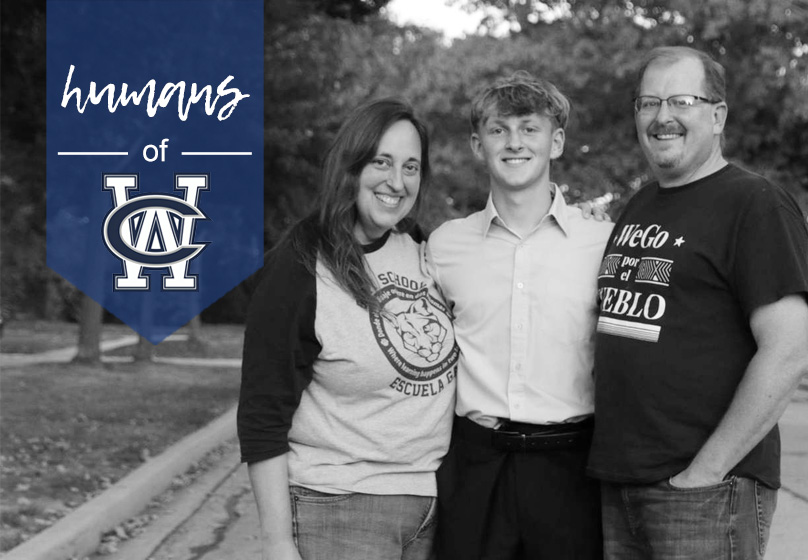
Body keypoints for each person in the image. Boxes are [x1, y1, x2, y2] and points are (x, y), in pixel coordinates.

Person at [587, 45, 808, 559]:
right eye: (648, 103)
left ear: (717, 114)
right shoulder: (638, 205)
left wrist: (705, 473)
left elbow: (789, 350)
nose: (663, 117)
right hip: (621, 486)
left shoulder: (755, 204)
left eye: (682, 100)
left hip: (707, 492)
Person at [237, 98, 459, 560]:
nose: (397, 182)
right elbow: (262, 413)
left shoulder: (421, 248)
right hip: (337, 510)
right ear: (351, 165)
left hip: (433, 507)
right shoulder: (299, 264)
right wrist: (278, 542)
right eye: (382, 161)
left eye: (411, 167)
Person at [426, 71, 613, 559]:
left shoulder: (602, 243)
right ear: (476, 144)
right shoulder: (445, 245)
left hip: (571, 468)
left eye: (530, 128)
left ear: (557, 142)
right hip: (475, 464)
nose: (514, 143)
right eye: (498, 130)